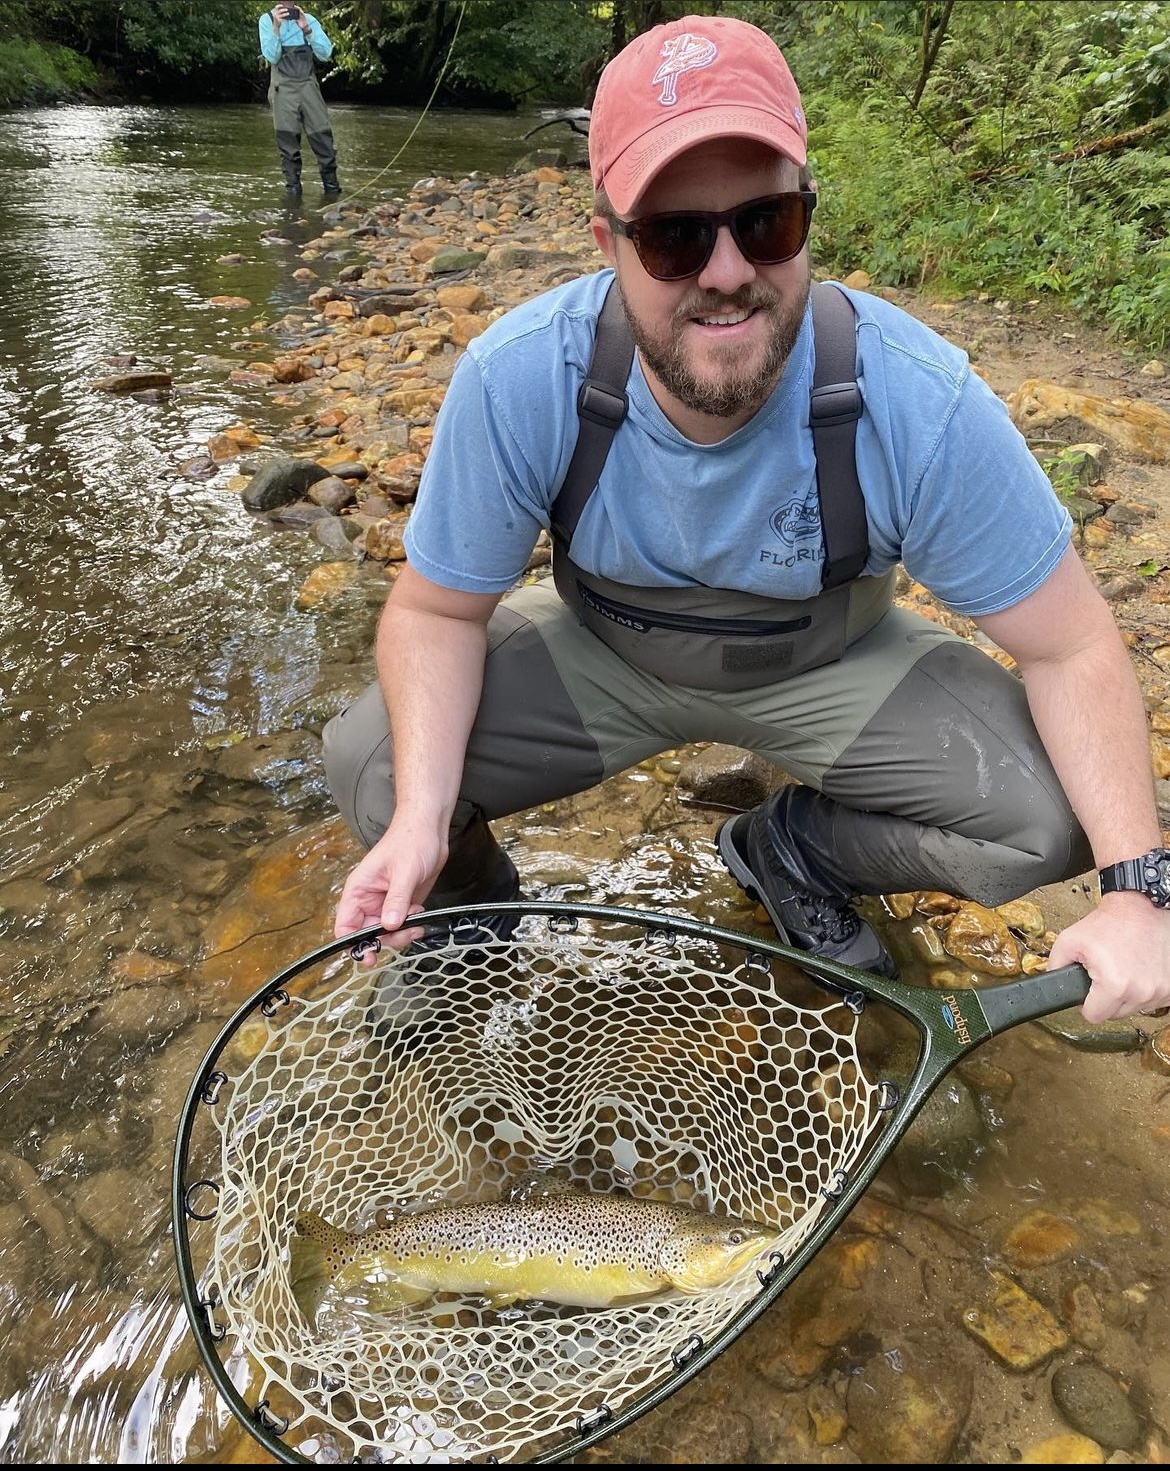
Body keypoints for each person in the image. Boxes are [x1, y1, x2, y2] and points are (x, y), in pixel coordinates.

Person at [322, 13, 1170, 1023]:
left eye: (764, 223)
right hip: (605, 663)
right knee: (370, 764)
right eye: (675, 236)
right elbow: (436, 615)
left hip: (826, 672)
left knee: (1055, 815)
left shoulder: (915, 398)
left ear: (808, 216)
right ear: (608, 244)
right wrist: (422, 819)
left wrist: (1137, 892)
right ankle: (468, 916)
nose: (725, 270)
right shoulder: (521, 378)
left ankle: (792, 848)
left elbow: (1071, 647)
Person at [258, 3, 341, 198]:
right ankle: (293, 196)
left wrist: (306, 28)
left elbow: (326, 53)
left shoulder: (309, 19)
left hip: (308, 86)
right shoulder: (266, 21)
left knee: (323, 139)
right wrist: (276, 28)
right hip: (283, 89)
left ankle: (332, 189)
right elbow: (271, 55)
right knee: (288, 145)